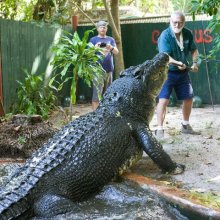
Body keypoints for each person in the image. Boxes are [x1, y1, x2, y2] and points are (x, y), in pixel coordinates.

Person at [155, 11, 200, 138]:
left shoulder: (187, 33)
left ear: (183, 22)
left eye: (180, 22)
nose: (177, 24)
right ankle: (159, 129)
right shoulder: (165, 35)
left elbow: (194, 50)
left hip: (183, 73)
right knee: (163, 100)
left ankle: (185, 125)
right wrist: (178, 63)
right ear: (170, 21)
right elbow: (165, 56)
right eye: (175, 22)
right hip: (166, 72)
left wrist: (195, 63)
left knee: (189, 97)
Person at [90, 20, 119, 110]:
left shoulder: (111, 39)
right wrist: (95, 48)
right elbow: (88, 54)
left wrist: (111, 47)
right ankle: (95, 116)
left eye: (105, 27)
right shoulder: (93, 40)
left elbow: (116, 52)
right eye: (101, 27)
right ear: (97, 29)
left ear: (106, 29)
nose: (103, 28)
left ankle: (106, 114)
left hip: (109, 70)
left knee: (108, 94)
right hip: (97, 71)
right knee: (96, 94)